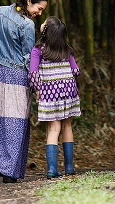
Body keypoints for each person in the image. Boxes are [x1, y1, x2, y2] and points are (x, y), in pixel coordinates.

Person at [0, 0, 48, 183]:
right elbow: (28, 58)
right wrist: (36, 84)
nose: (39, 13)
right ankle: (9, 170)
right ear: (29, 2)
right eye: (39, 9)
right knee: (15, 121)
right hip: (17, 74)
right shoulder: (26, 25)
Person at [29, 16, 82, 179]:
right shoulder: (67, 50)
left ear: (46, 32)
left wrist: (36, 90)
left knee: (53, 129)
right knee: (67, 126)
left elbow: (33, 73)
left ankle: (52, 169)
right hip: (68, 91)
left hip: (49, 92)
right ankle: (69, 167)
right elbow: (76, 71)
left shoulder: (38, 50)